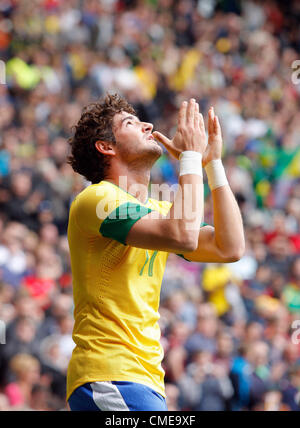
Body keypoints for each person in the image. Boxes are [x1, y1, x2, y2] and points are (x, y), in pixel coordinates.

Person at [66, 93, 245, 411]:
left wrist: (211, 163)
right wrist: (189, 157)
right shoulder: (95, 199)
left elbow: (229, 247)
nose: (148, 125)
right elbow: (182, 235)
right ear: (106, 147)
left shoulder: (156, 210)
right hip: (111, 372)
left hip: (143, 378)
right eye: (131, 123)